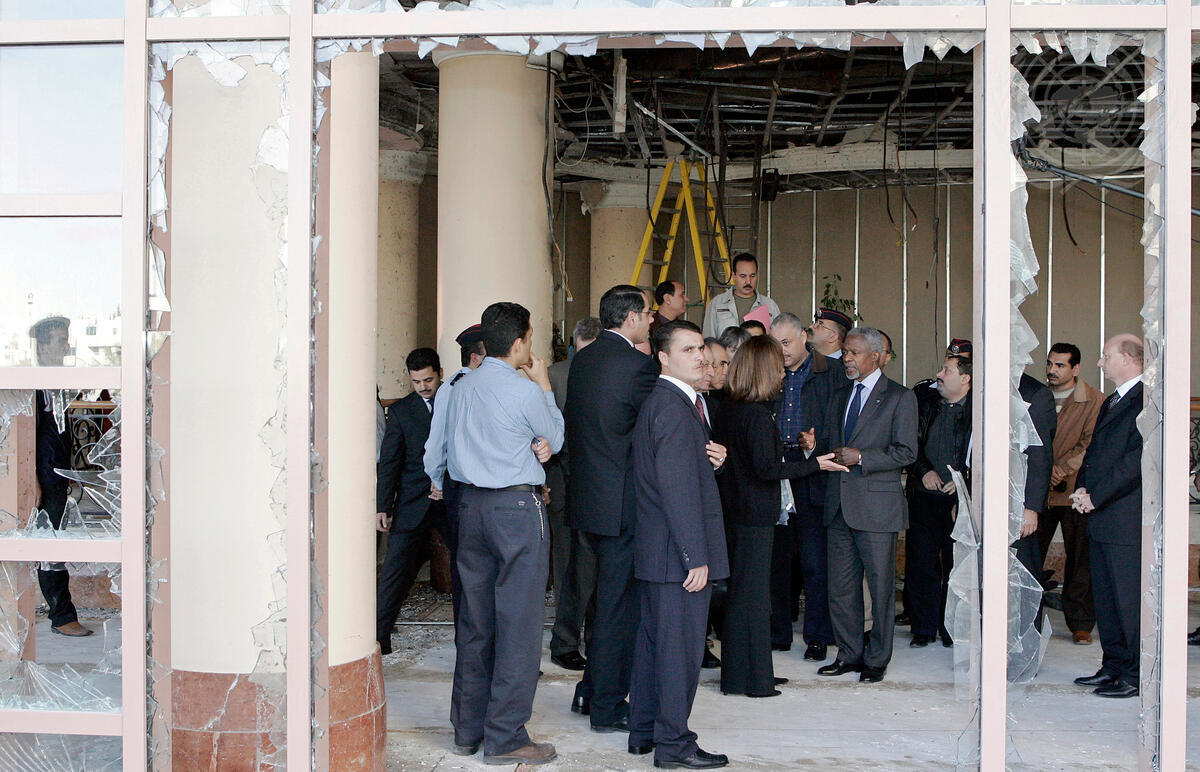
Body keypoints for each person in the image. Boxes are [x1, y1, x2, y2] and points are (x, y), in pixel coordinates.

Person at [444, 302, 563, 764]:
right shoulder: (524, 390)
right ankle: (506, 735)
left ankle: (467, 729)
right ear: (518, 344)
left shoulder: (461, 387)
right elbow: (555, 437)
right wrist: (544, 385)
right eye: (529, 339)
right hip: (515, 509)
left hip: (469, 507)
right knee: (518, 623)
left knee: (475, 621)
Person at [713, 335, 847, 698]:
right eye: (778, 368)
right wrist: (815, 464)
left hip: (735, 512)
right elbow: (768, 469)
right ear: (763, 371)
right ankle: (756, 681)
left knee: (743, 597)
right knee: (754, 599)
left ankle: (740, 676)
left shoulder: (729, 408)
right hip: (755, 515)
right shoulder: (756, 415)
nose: (784, 375)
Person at [628, 319, 730, 769]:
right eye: (688, 350)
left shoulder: (675, 403)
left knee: (655, 646)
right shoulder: (672, 406)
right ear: (664, 358)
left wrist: (714, 462)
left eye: (701, 348)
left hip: (662, 552)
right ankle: (674, 745)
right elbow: (676, 490)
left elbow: (684, 474)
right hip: (676, 555)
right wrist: (696, 557)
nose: (700, 356)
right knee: (679, 655)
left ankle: (644, 732)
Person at [565, 285, 660, 731]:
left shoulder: (582, 359)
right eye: (648, 314)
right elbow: (654, 427)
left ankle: (589, 690)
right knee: (618, 608)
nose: (652, 320)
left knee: (601, 601)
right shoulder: (639, 366)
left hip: (587, 498)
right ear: (631, 318)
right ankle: (606, 704)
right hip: (622, 503)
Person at [815, 327, 917, 684]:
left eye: (853, 352)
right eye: (845, 352)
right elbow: (830, 443)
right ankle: (848, 654)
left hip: (877, 508)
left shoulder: (900, 397)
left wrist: (862, 457)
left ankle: (877, 658)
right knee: (841, 588)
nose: (846, 358)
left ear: (876, 356)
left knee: (880, 588)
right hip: (838, 506)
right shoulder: (840, 395)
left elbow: (907, 452)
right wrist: (814, 445)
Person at [1071, 334, 1144, 699]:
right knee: (1106, 599)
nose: (1100, 363)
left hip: (1124, 518)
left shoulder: (1147, 399)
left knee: (1127, 601)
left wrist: (1096, 496)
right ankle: (1113, 665)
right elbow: (1094, 452)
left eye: (1105, 356)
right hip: (1102, 516)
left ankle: (1134, 674)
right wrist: (1082, 487)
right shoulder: (1113, 399)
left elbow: (1135, 462)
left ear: (1128, 358)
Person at [769, 312, 844, 660]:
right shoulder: (770, 371)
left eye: (787, 343)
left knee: (815, 561)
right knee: (778, 560)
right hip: (776, 468)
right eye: (776, 344)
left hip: (815, 467)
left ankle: (818, 635)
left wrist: (817, 446)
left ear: (803, 337)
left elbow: (842, 425)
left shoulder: (831, 372)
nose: (782, 351)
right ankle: (777, 633)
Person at [376, 348, 446, 655]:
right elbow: (390, 462)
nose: (423, 387)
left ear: (440, 373)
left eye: (428, 380)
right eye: (416, 381)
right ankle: (379, 639)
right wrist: (383, 506)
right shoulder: (401, 411)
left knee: (469, 567)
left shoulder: (455, 403)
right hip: (411, 503)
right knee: (395, 572)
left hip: (451, 501)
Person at [1037, 342, 1105, 646]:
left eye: (1060, 365)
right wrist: (1044, 470)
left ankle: (1081, 623)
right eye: (1050, 364)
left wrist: (1061, 469)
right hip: (1039, 490)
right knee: (1031, 553)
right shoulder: (1037, 396)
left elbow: (1090, 444)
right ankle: (1027, 616)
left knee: (1080, 559)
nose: (1052, 370)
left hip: (1075, 490)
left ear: (1075, 368)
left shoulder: (1094, 400)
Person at [904, 354, 972, 649]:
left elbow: (984, 458)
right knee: (922, 565)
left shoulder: (978, 412)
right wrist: (924, 471)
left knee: (956, 567)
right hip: (924, 497)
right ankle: (923, 627)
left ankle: (950, 628)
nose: (939, 375)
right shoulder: (926, 404)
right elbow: (910, 444)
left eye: (947, 370)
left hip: (959, 502)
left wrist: (963, 485)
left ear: (966, 379)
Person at [29, 316, 91, 638]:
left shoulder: (59, 382)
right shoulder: (33, 384)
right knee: (49, 542)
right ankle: (62, 615)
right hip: (45, 474)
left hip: (58, 472)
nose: (66, 346)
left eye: (66, 339)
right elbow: (27, 435)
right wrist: (32, 479)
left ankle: (62, 614)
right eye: (59, 340)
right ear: (42, 346)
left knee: (55, 539)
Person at [422, 323, 487, 624]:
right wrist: (437, 480)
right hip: (462, 487)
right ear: (475, 358)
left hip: (477, 486)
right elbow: (436, 443)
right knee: (468, 564)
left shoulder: (478, 386)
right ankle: (470, 632)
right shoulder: (454, 388)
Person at [548, 317, 602, 672]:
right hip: (562, 481)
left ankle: (597, 638)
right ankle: (565, 640)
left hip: (599, 483)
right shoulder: (554, 376)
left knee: (598, 565)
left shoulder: (611, 374)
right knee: (568, 565)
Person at [701, 253, 780, 339]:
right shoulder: (717, 304)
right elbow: (708, 340)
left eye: (752, 276)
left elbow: (778, 340)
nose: (748, 281)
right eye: (743, 276)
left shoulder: (770, 305)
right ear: (734, 276)